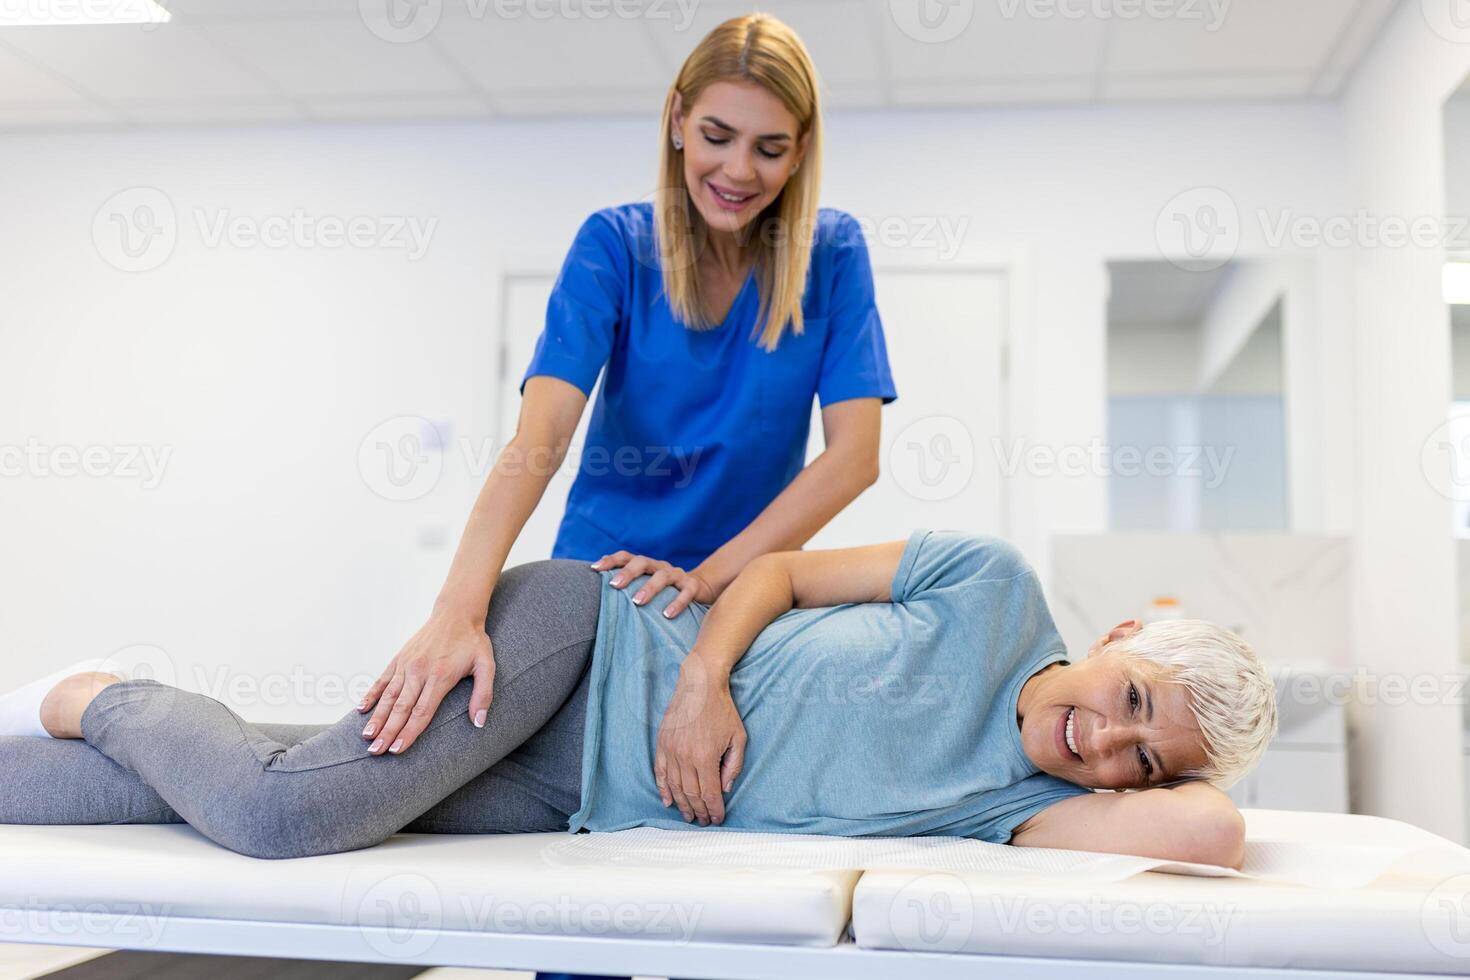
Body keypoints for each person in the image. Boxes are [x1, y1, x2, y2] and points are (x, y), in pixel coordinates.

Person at [0, 529, 1277, 877]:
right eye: (1135, 696)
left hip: (573, 794)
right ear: (1119, 633)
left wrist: (1195, 756)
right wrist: (702, 686)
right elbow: (775, 571)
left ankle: (44, 749)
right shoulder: (992, 587)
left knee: (254, 786)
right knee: (285, 821)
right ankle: (111, 689)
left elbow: (1212, 834)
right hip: (588, 640)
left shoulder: (1020, 808)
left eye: (1142, 761)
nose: (1105, 739)